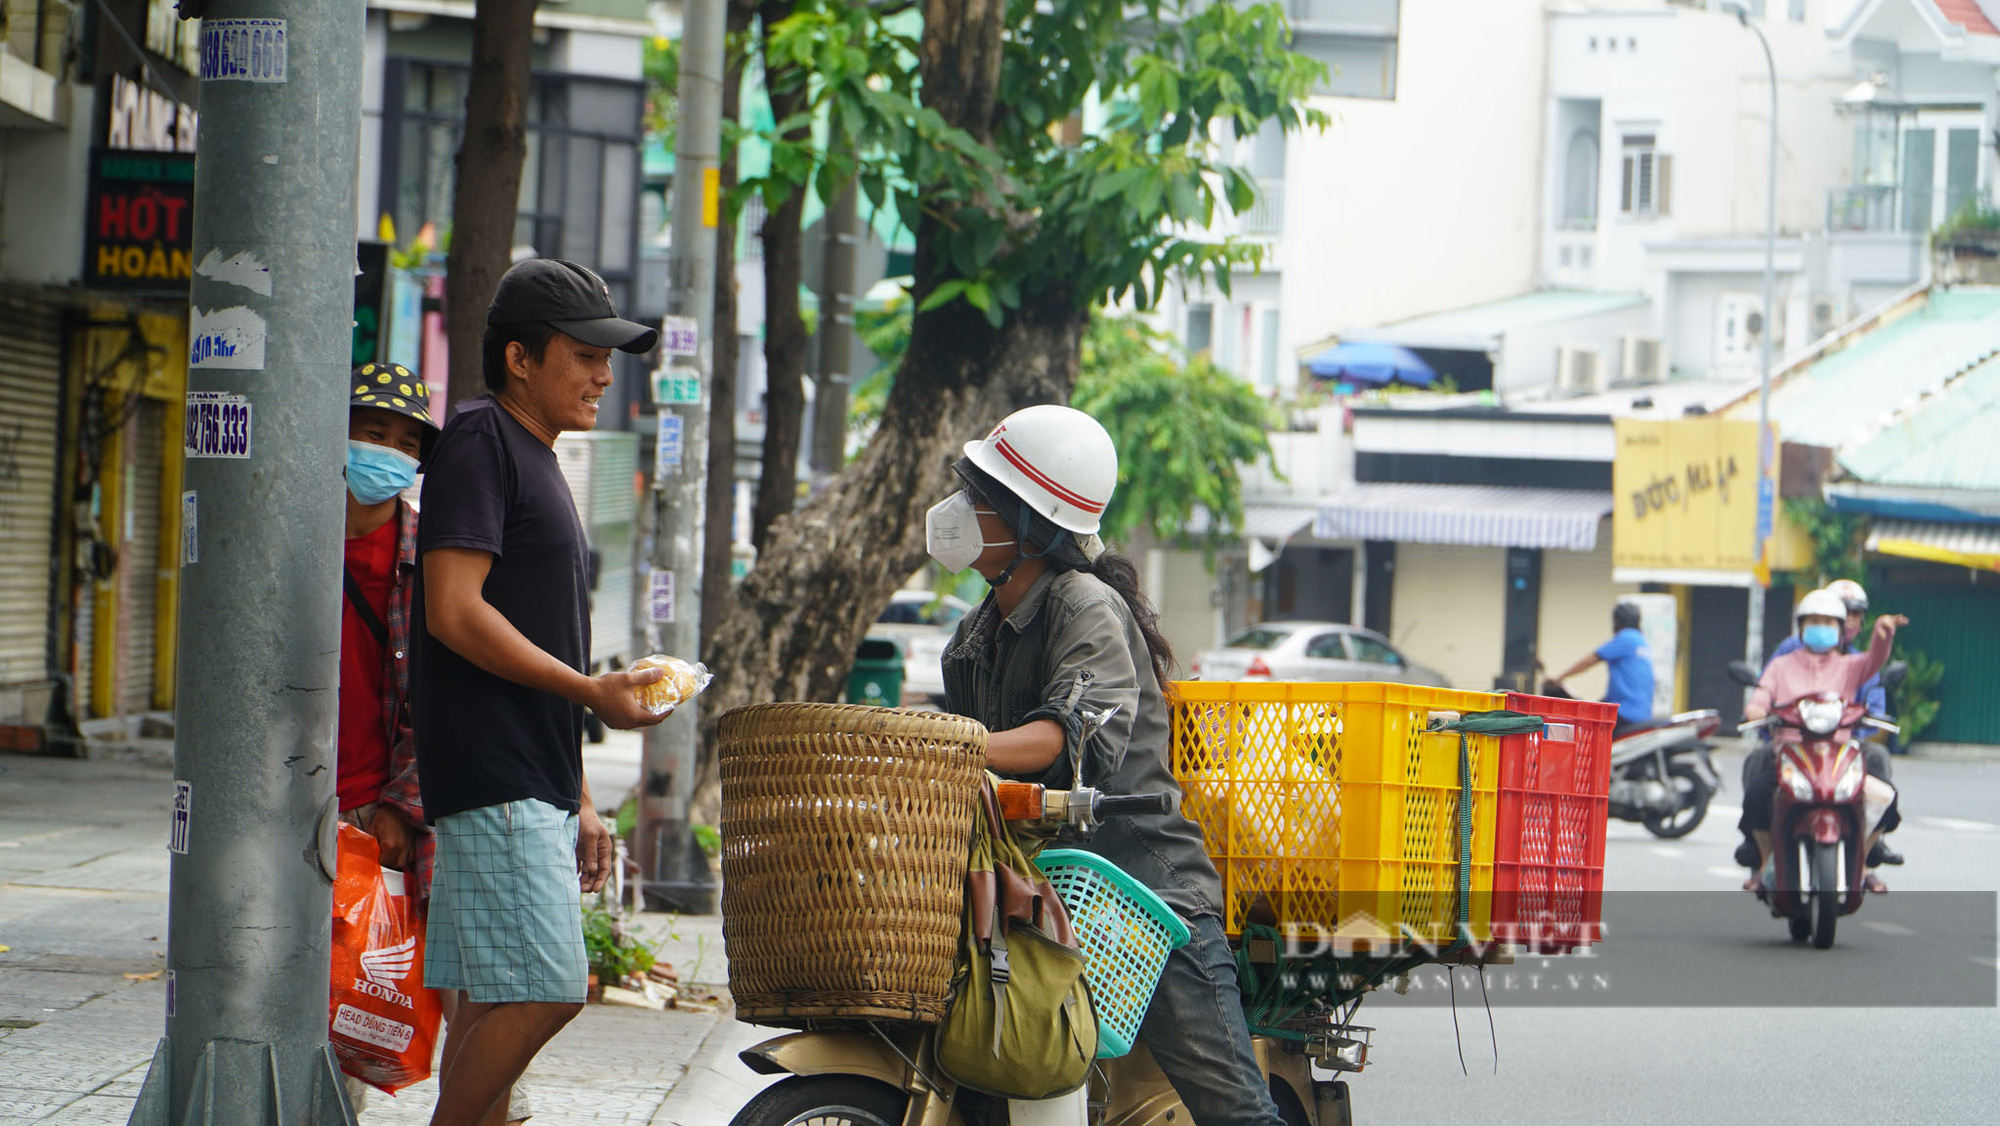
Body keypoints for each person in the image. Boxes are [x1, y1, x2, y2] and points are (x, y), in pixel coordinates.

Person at [935, 404, 1289, 1126]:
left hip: (1143, 898)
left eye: (981, 500)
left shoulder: (1084, 604)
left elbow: (1064, 743)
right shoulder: (978, 631)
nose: (959, 510)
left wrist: (946, 741)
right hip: (1039, 890)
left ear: (1032, 526)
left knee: (1234, 1110)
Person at [412, 258, 666, 1126]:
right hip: (495, 776)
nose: (603, 374)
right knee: (550, 989)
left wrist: (583, 795)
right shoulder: (483, 438)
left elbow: (545, 638)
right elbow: (452, 609)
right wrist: (594, 695)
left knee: (492, 1000)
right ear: (520, 357)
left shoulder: (537, 453)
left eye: (608, 357)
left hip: (535, 780)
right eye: (585, 355)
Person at [337, 363, 535, 1123]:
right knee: (332, 978)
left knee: (461, 978)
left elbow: (445, 696)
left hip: (408, 809)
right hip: (312, 797)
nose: (385, 450)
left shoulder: (430, 555)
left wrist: (397, 805)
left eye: (403, 439)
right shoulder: (283, 541)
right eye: (370, 431)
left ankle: (492, 1112)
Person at [1737, 588, 1905, 893]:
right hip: (1790, 753)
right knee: (1757, 795)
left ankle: (1863, 860)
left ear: (1841, 630)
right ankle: (1764, 862)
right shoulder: (1781, 665)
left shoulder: (1850, 666)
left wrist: (1883, 635)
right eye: (1814, 621)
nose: (1821, 627)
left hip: (1839, 756)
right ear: (1801, 627)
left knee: (1886, 798)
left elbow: (1875, 660)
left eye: (1829, 622)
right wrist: (1756, 710)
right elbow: (1761, 695)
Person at [1551, 601, 1655, 736]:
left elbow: (1590, 660)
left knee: (1582, 732)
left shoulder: (1626, 638)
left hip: (1625, 712)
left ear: (1617, 621)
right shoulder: (1641, 641)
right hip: (1642, 713)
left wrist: (1559, 678)